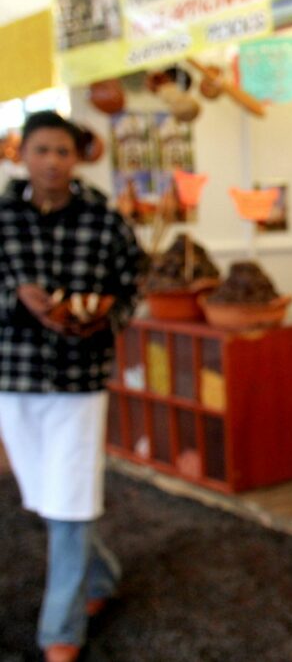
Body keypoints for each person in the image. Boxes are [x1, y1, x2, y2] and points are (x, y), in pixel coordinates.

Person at [0, 111, 142, 662]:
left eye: (63, 151)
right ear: (23, 155)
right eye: (42, 150)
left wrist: (104, 316)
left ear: (76, 157)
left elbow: (132, 283)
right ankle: (102, 577)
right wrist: (19, 300)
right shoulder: (4, 218)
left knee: (72, 498)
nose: (53, 161)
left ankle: (59, 631)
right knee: (46, 496)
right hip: (14, 373)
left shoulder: (105, 221)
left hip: (80, 377)